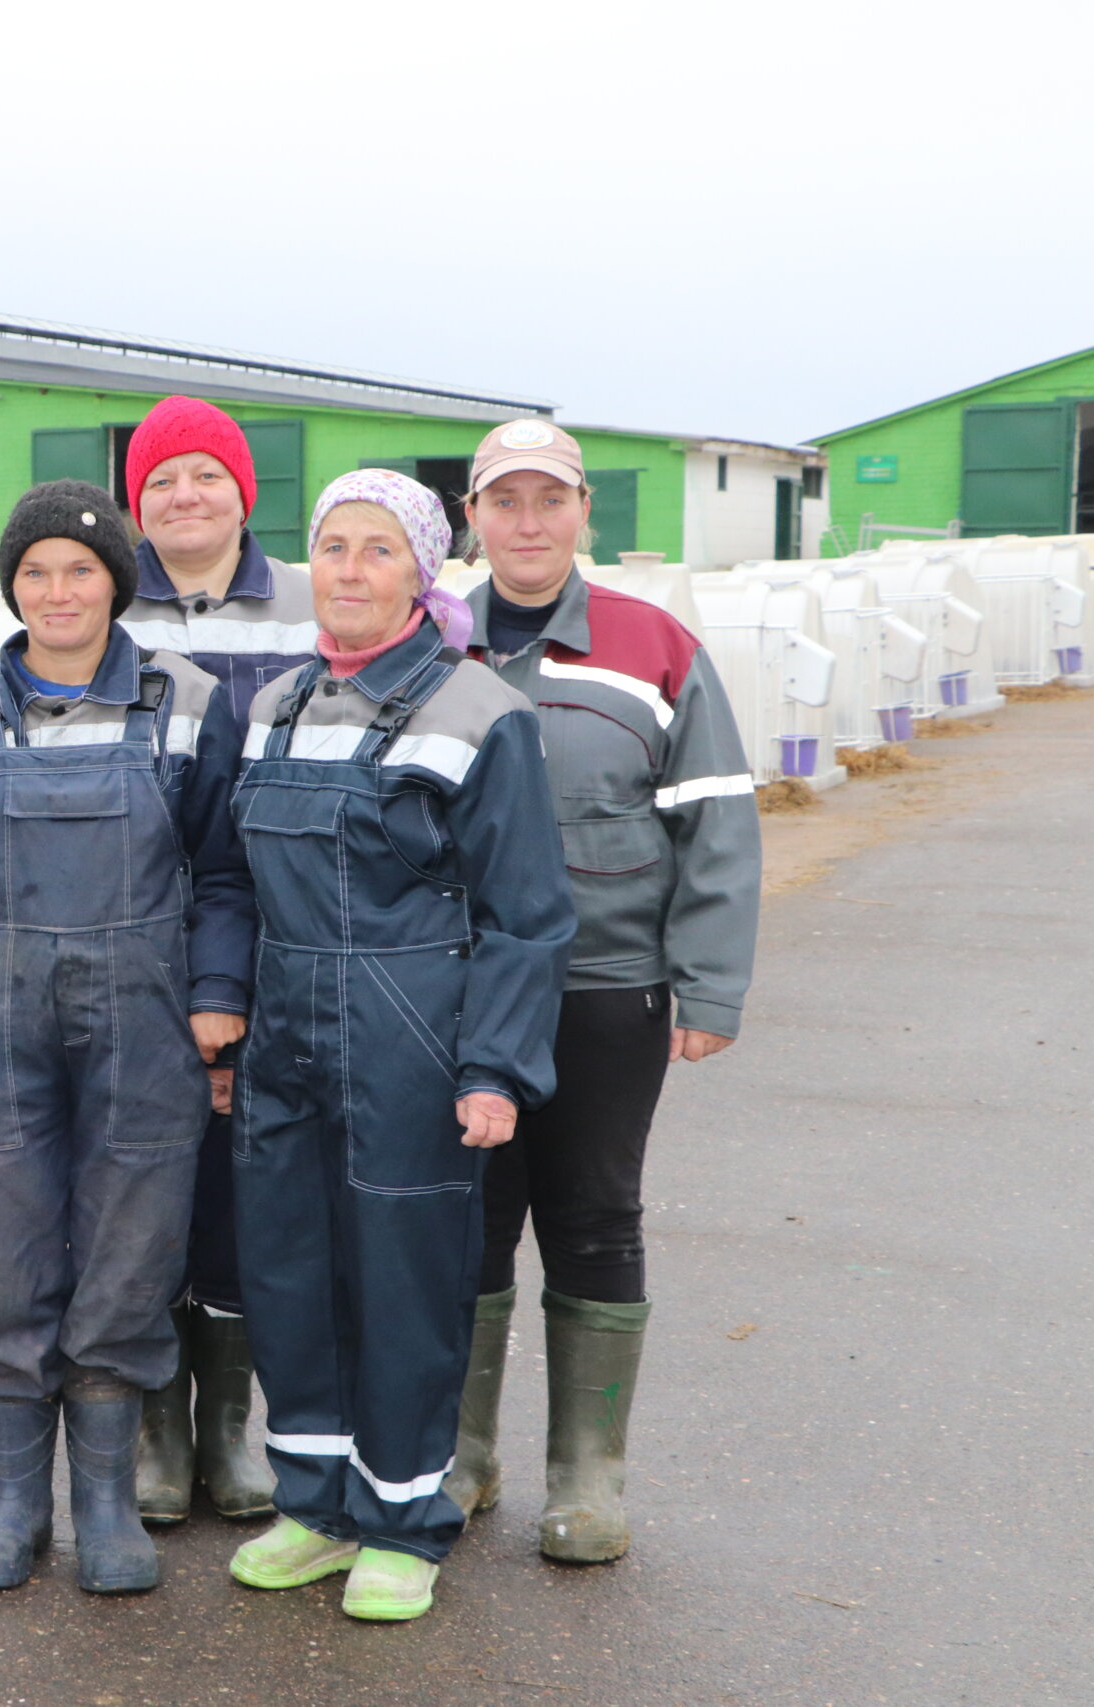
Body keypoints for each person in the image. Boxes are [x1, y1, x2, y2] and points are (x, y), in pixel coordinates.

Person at [0, 481, 252, 1596]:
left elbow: (225, 873)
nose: (57, 591)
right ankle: (9, 1502)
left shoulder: (184, 700)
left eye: (80, 569)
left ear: (115, 584)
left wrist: (218, 997)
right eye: (35, 571)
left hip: (147, 1013)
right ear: (11, 587)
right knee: (3, 1246)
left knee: (132, 1246)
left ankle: (104, 1504)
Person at [224, 469, 572, 1622]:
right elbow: (229, 877)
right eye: (332, 548)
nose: (350, 571)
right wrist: (225, 1012)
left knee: (405, 1280)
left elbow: (525, 911)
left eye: (379, 550)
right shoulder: (272, 704)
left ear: (421, 572)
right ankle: (314, 1506)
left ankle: (405, 1520)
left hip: (410, 1028)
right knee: (286, 1268)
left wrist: (494, 1067)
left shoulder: (476, 710)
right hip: (281, 1031)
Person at [445, 419, 760, 1562]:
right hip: (460, 988)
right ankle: (461, 1456)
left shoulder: (653, 644)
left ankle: (586, 1476)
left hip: (606, 981)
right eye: (503, 501)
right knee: (465, 1219)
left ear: (584, 513)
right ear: (472, 518)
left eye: (549, 500)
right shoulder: (433, 641)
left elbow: (715, 817)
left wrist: (709, 985)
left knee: (590, 1213)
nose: (526, 523)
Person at [115, 395, 318, 1527]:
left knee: (246, 1192)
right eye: (160, 481)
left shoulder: (301, 603)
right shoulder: (102, 597)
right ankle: (157, 1437)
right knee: (147, 1188)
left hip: (277, 933)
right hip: (135, 937)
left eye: (205, 475)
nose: (183, 498)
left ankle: (229, 1434)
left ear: (243, 489)